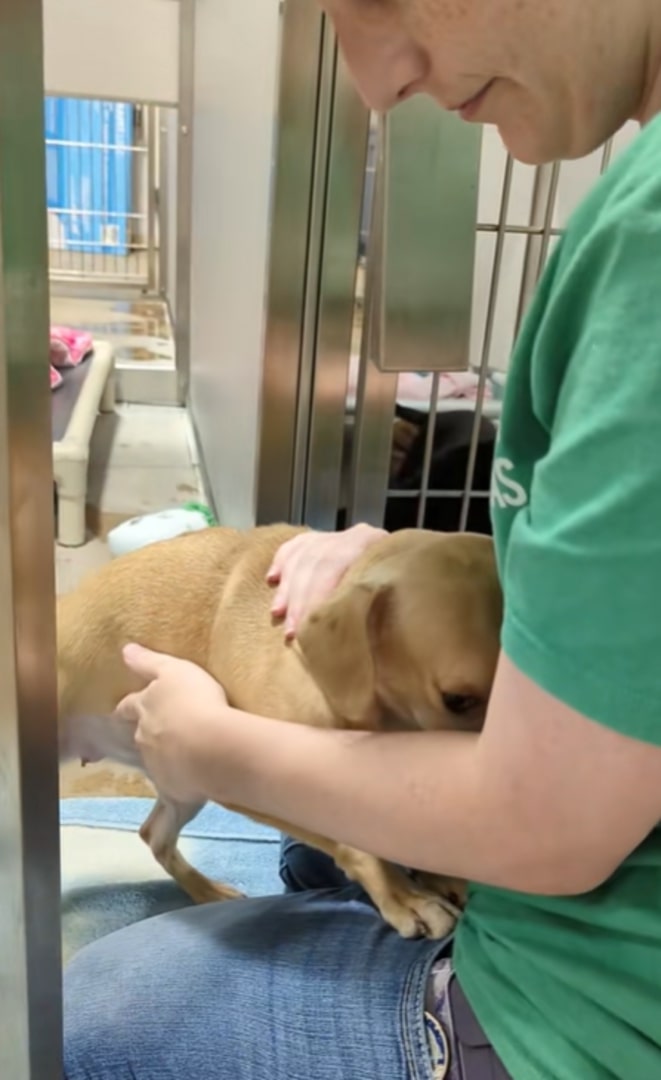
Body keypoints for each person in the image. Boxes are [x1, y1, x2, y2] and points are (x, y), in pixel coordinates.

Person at [64, 2, 661, 1077]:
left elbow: (548, 823)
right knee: (274, 866)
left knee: (85, 998)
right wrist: (399, 566)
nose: (376, 80)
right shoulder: (627, 206)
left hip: (572, 1016)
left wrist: (210, 747)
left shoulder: (648, 243)